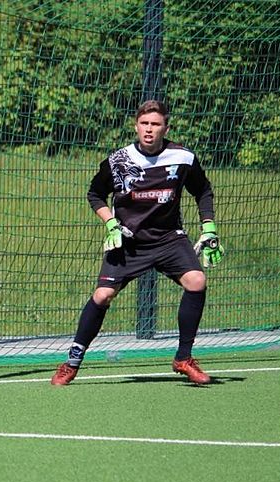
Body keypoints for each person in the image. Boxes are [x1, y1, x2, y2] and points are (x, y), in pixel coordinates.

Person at [51, 100, 225, 386]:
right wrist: (110, 223)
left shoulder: (183, 158)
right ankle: (72, 362)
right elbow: (95, 194)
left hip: (168, 239)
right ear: (136, 127)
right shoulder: (119, 160)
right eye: (144, 124)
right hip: (129, 242)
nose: (149, 129)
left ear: (166, 128)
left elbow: (203, 190)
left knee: (196, 281)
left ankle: (183, 358)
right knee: (102, 296)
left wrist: (209, 227)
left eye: (155, 124)